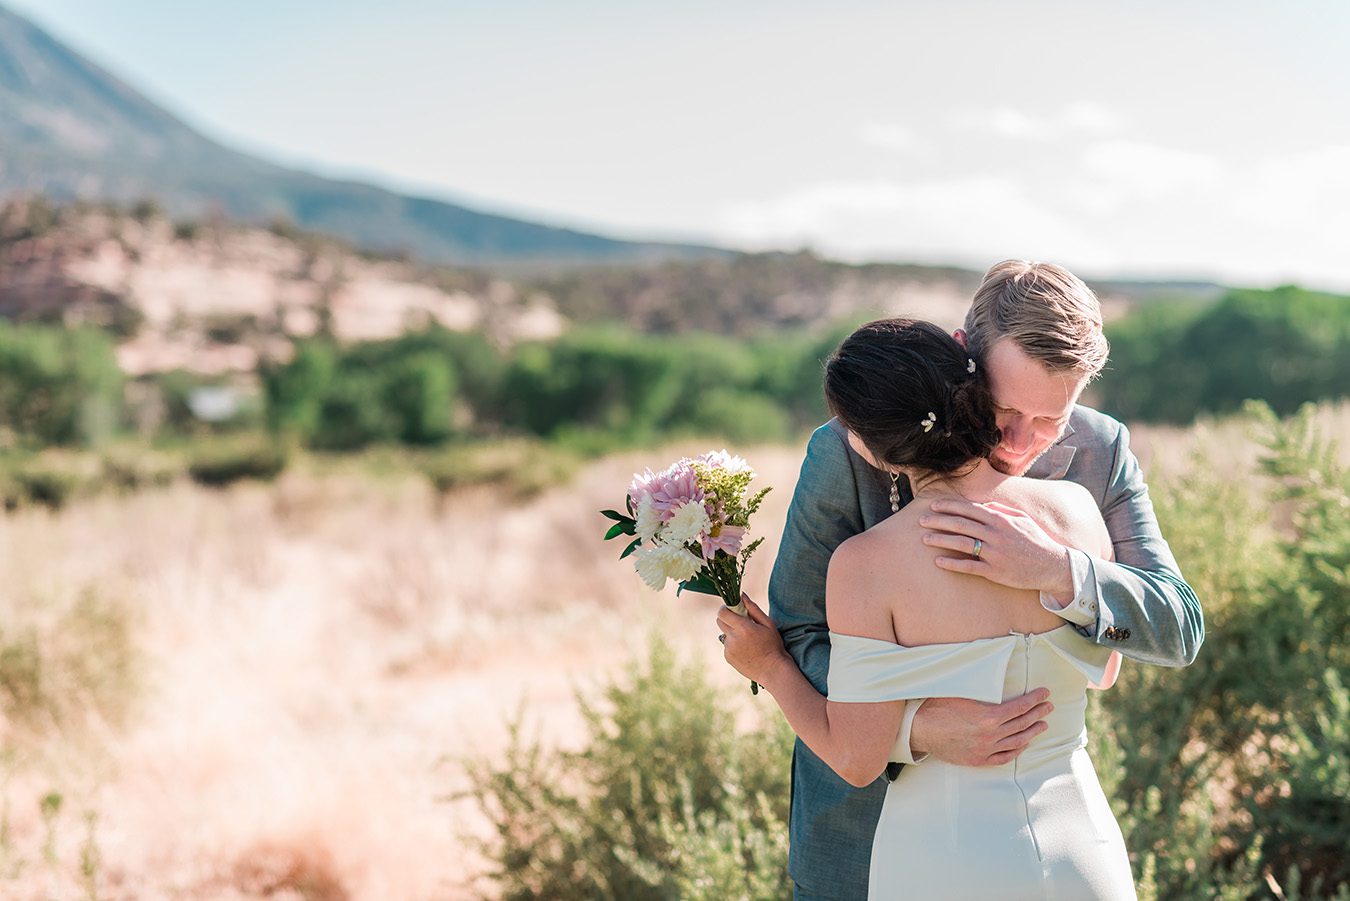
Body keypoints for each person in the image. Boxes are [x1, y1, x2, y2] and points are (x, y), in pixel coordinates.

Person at [734, 261, 1204, 899]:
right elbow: (801, 630)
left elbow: (1177, 626)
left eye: (1050, 420)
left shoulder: (1101, 450)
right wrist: (912, 728)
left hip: (1048, 819)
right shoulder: (851, 447)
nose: (1017, 442)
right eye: (1005, 408)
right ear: (963, 356)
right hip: (863, 833)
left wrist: (1056, 570)